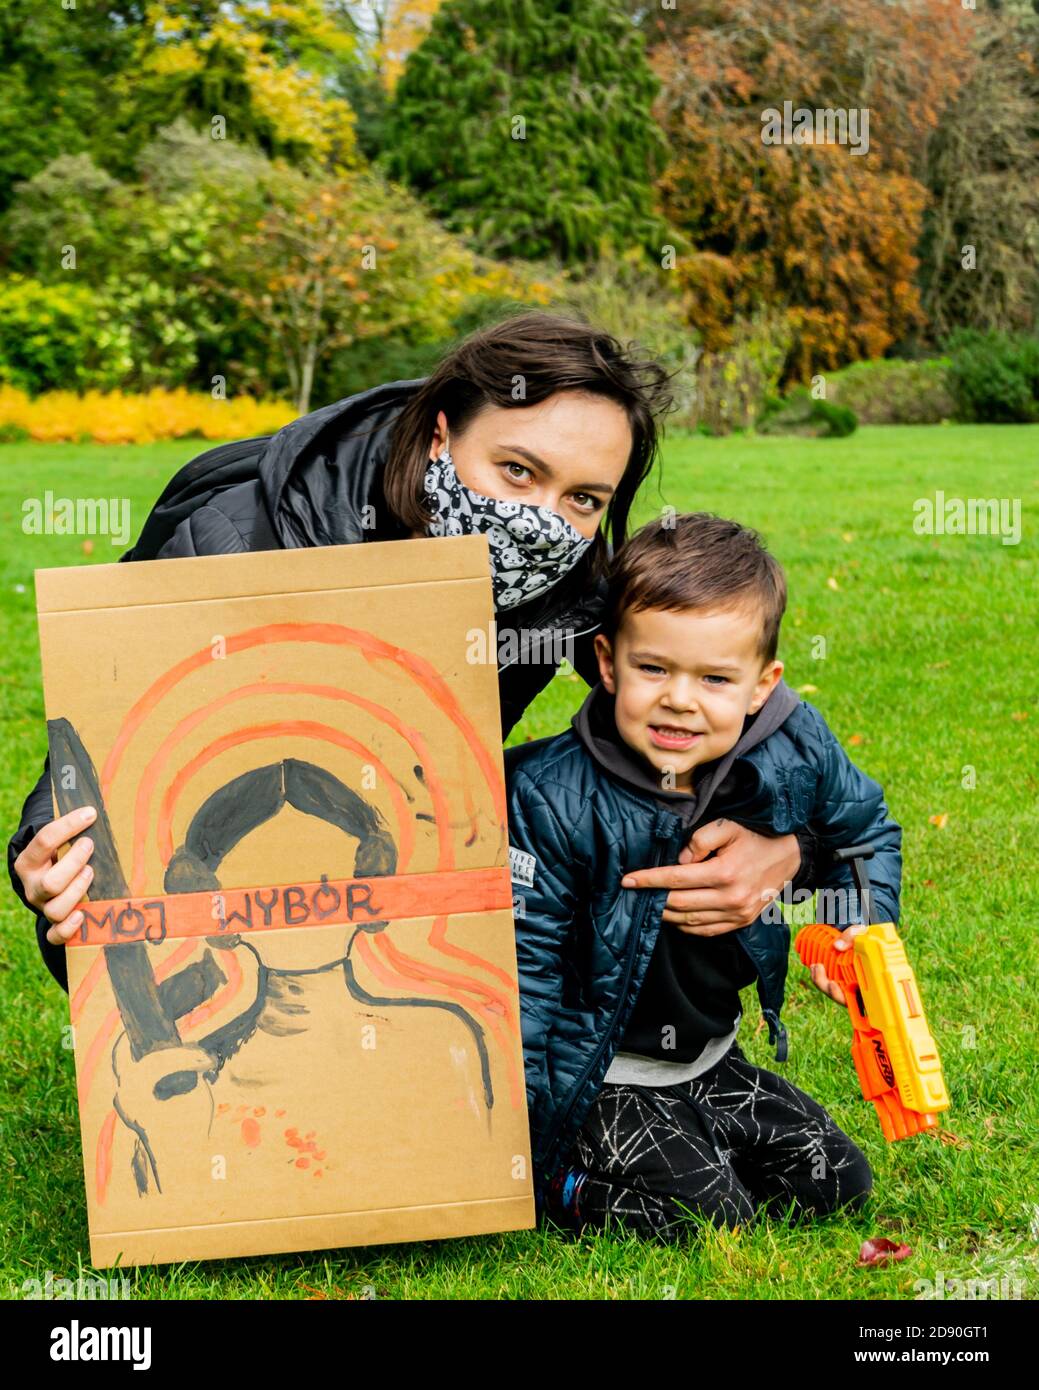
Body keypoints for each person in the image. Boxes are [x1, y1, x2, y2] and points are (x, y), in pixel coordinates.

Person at [9, 310, 811, 995]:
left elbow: (701, 690)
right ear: (439, 435)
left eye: (582, 498)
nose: (538, 518)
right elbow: (90, 757)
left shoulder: (564, 580)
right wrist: (45, 863)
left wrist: (785, 843)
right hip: (213, 854)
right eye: (515, 470)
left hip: (399, 845)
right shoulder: (229, 540)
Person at [505, 511, 902, 1241]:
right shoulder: (548, 796)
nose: (680, 699)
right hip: (602, 1075)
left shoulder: (796, 746)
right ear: (606, 660)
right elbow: (522, 980)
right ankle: (562, 1182)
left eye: (715, 677)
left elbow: (865, 831)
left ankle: (694, 1139)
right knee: (708, 1219)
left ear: (762, 683)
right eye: (653, 667)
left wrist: (857, 924)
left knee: (835, 1183)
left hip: (709, 1057)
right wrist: (515, 1146)